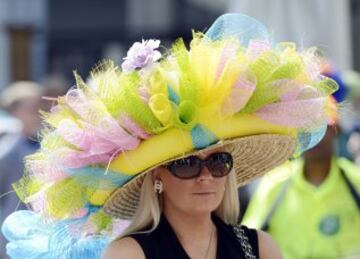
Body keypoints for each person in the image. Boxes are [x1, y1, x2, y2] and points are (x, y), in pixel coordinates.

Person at [1, 14, 337, 259]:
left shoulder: (260, 248)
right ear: (158, 178)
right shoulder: (129, 254)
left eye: (219, 162)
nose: (206, 175)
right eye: (188, 164)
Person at [242, 98, 360, 258]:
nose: (313, 138)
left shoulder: (356, 181)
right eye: (304, 131)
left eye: (320, 128)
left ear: (335, 130)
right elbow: (247, 243)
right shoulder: (275, 184)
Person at [0, 81, 43, 258]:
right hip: (12, 233)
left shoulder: (41, 143)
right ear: (15, 112)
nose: (38, 113)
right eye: (31, 109)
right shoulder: (7, 150)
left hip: (38, 232)